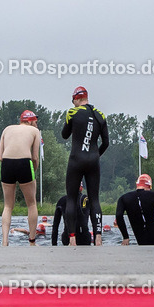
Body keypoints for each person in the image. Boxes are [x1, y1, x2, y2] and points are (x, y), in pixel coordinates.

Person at [61, 86, 109, 246]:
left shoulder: (72, 112)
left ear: (76, 99)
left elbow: (64, 134)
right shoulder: (100, 115)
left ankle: (72, 239)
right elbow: (106, 143)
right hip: (93, 161)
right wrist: (95, 156)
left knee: (71, 199)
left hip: (76, 160)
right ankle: (98, 237)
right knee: (94, 199)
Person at [0, 110, 41, 246]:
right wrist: (33, 172)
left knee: (8, 205)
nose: (36, 125)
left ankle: (5, 241)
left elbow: (0, 157)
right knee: (32, 203)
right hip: (24, 162)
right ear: (29, 121)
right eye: (35, 122)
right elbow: (34, 157)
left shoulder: (7, 129)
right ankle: (32, 241)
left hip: (7, 163)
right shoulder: (35, 132)